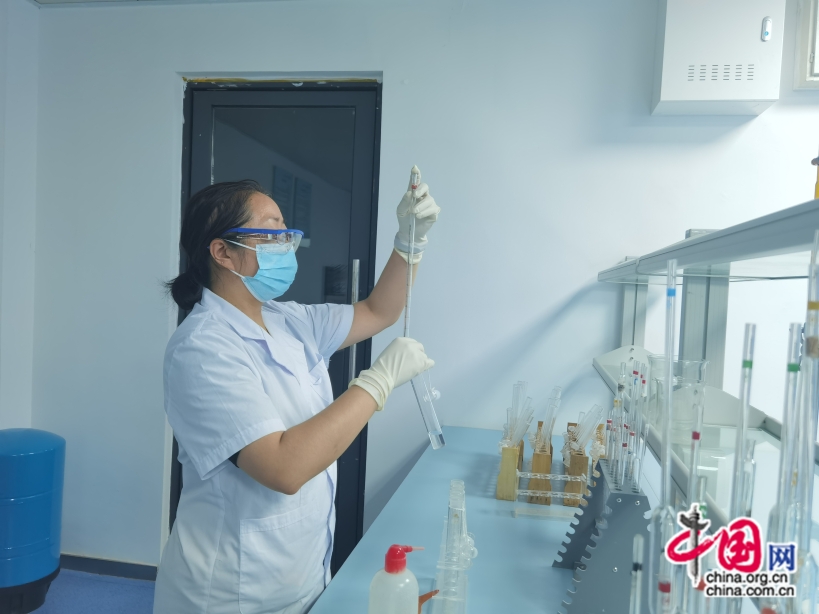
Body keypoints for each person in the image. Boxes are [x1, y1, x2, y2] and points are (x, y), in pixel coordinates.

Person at [153, 177, 440, 614]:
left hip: (300, 576)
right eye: (270, 233)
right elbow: (283, 467)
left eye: (286, 233)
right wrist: (376, 383)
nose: (285, 245)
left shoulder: (290, 320)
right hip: (232, 594)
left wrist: (409, 243)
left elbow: (378, 310)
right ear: (222, 252)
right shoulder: (201, 349)